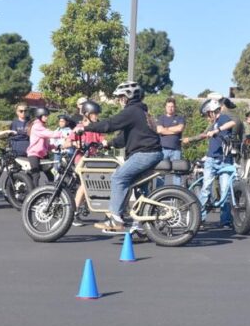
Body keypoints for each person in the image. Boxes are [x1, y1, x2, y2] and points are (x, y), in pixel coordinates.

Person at [75, 82, 162, 232]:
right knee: (138, 187)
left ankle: (115, 219)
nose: (120, 100)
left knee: (118, 178)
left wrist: (86, 128)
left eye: (121, 97)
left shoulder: (132, 111)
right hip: (150, 152)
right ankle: (142, 225)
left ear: (128, 97)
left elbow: (110, 124)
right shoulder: (140, 112)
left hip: (145, 153)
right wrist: (109, 144)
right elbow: (123, 138)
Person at [182, 98, 237, 229]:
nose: (207, 117)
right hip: (211, 160)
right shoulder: (213, 124)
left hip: (224, 160)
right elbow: (204, 135)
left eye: (208, 114)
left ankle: (226, 221)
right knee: (206, 189)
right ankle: (199, 218)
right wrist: (189, 140)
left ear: (212, 112)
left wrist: (217, 131)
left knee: (225, 191)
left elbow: (232, 123)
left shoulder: (222, 118)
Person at [63, 101, 107, 227]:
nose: (96, 116)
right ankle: (73, 213)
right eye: (94, 114)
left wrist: (105, 143)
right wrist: (74, 143)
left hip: (93, 160)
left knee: (99, 184)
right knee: (84, 185)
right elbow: (66, 143)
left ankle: (106, 212)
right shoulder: (79, 128)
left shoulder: (96, 128)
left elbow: (102, 139)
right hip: (81, 161)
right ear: (87, 114)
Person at [26, 107, 67, 188]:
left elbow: (44, 143)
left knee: (50, 174)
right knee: (36, 175)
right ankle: (33, 195)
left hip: (42, 155)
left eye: (47, 116)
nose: (47, 117)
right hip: (34, 154)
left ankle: (52, 192)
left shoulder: (42, 125)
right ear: (39, 116)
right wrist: (62, 134)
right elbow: (49, 134)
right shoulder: (37, 126)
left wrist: (55, 146)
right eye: (45, 116)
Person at [155, 97, 185, 187]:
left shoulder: (180, 118)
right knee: (161, 173)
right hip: (163, 149)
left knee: (177, 173)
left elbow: (180, 128)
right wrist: (173, 130)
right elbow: (159, 130)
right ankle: (159, 194)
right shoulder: (161, 118)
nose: (170, 108)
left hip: (176, 150)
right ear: (165, 107)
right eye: (168, 106)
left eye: (172, 106)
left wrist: (166, 129)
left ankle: (177, 195)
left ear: (175, 107)